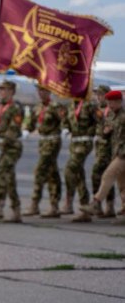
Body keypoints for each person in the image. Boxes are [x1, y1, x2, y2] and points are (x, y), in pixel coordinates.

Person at [80, 90, 125, 222]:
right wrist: (106, 132)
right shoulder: (111, 115)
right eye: (109, 102)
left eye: (113, 103)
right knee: (122, 184)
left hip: (123, 154)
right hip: (116, 152)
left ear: (119, 102)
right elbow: (108, 131)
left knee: (108, 175)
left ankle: (96, 203)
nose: (110, 105)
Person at [22, 87, 67, 218]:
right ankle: (55, 206)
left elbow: (64, 120)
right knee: (52, 173)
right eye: (39, 91)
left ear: (49, 92)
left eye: (44, 91)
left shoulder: (56, 106)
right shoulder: (37, 107)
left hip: (53, 141)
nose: (41, 93)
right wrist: (26, 130)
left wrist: (65, 129)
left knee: (40, 170)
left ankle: (34, 204)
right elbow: (32, 123)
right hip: (42, 142)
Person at [0, 80, 25, 223]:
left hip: (12, 146)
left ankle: (0, 206)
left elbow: (13, 130)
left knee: (4, 173)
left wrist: (0, 148)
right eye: (0, 89)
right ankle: (14, 210)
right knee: (7, 177)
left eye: (4, 89)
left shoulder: (15, 108)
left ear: (11, 92)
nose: (1, 92)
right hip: (4, 145)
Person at [63, 94, 98, 222]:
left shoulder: (89, 105)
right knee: (78, 173)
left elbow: (99, 121)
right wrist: (65, 129)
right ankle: (85, 208)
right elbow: (66, 121)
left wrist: (92, 134)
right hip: (74, 143)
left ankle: (68, 202)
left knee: (70, 169)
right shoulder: (71, 105)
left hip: (85, 142)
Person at [91, 85, 118, 217]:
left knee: (98, 174)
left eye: (101, 95)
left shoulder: (113, 111)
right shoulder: (98, 111)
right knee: (107, 177)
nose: (98, 97)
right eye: (97, 95)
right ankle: (108, 206)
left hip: (111, 148)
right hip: (100, 147)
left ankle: (99, 204)